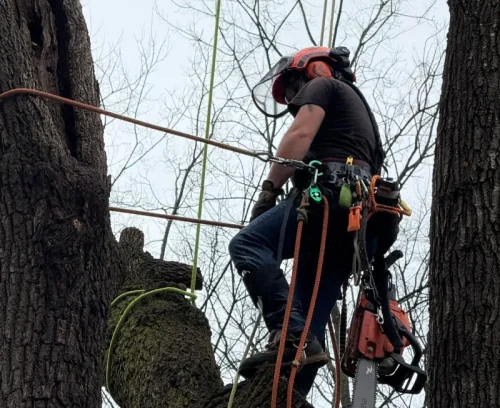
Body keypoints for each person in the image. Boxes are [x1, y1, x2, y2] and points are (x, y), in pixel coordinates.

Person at [228, 46, 390, 397]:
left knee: (248, 244)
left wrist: (269, 191)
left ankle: (287, 336)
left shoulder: (325, 88)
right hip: (353, 231)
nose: (292, 102)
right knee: (306, 330)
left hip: (329, 203)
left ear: (313, 70)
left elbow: (298, 138)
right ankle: (288, 394)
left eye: (292, 90)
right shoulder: (363, 121)